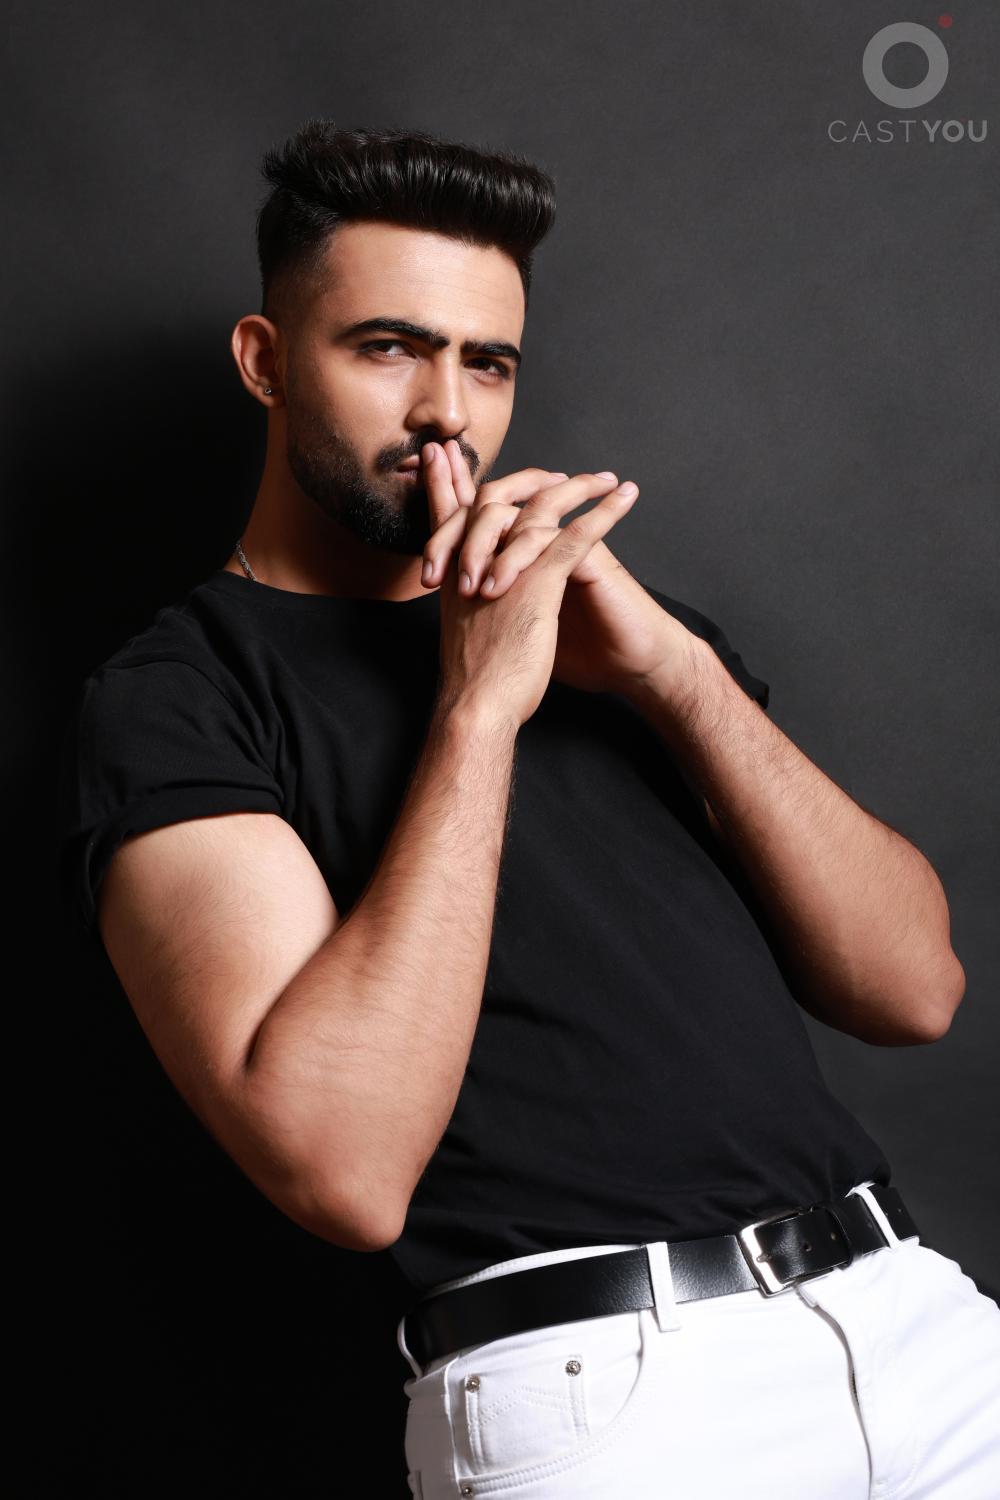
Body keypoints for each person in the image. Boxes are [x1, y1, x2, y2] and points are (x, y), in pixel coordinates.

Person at [56, 121, 1000, 1498]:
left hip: (912, 1321)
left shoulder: (625, 637)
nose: (446, 410)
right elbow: (340, 1170)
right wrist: (478, 707)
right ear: (266, 360)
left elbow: (915, 989)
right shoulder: (178, 696)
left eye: (486, 362)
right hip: (612, 1395)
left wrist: (677, 676)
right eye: (388, 348)